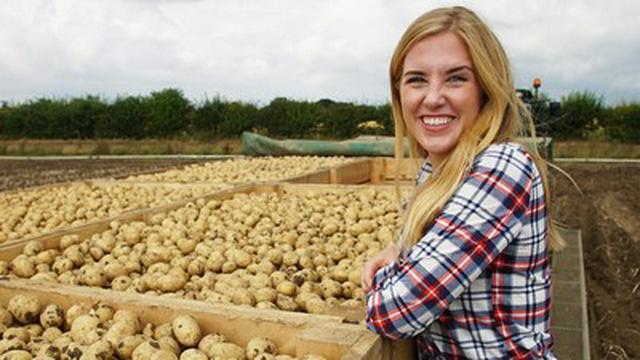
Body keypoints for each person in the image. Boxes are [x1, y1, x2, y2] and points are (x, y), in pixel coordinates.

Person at [361, 6, 564, 359]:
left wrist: (396, 270)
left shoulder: (502, 167)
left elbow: (392, 313)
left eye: (456, 78)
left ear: (485, 88)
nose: (433, 96)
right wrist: (402, 255)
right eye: (417, 79)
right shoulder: (437, 171)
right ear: (399, 93)